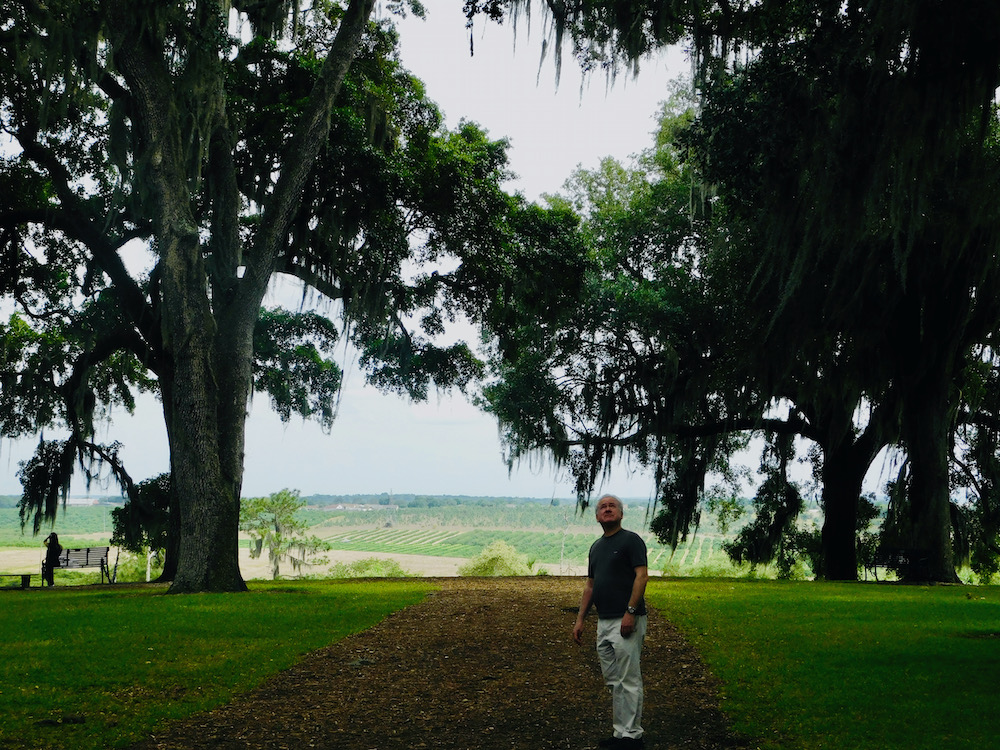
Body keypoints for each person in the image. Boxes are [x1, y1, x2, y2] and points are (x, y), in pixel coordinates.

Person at [573, 494, 650, 749]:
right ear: (597, 516)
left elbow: (642, 577)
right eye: (603, 507)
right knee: (613, 679)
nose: (607, 509)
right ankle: (619, 733)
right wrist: (580, 619)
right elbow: (590, 585)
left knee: (629, 678)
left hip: (626, 619)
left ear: (621, 514)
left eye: (612, 506)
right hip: (603, 621)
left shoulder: (631, 541)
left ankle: (632, 736)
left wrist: (630, 611)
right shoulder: (596, 547)